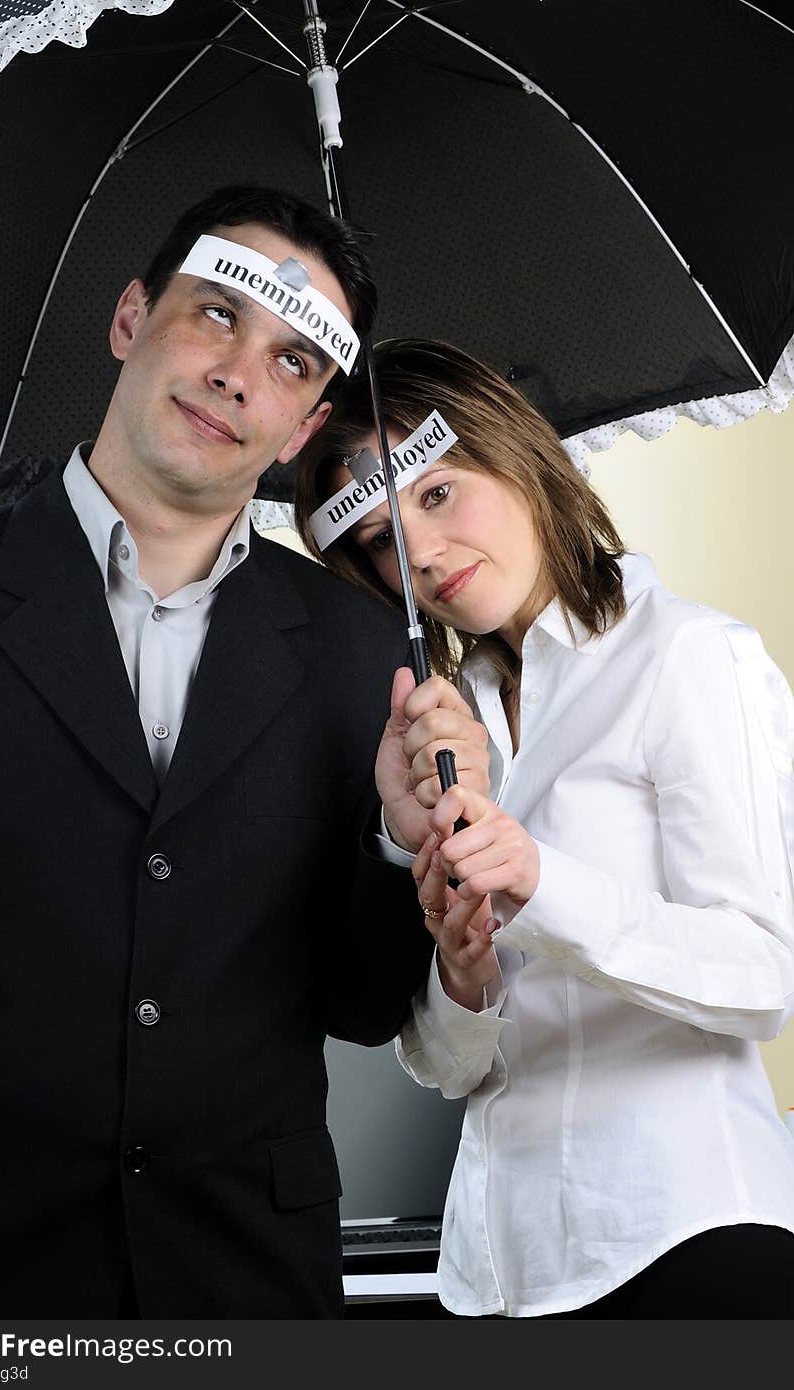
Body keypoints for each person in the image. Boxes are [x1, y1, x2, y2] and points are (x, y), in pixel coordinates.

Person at [0, 192, 485, 1319]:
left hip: (245, 1279)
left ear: (309, 424)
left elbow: (365, 1006)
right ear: (130, 318)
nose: (238, 374)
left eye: (291, 360)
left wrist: (398, 843)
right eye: (215, 314)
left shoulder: (364, 652)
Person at [295, 337, 794, 1318]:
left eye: (438, 493)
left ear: (514, 451)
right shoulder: (452, 731)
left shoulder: (688, 658)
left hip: (681, 1246)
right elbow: (451, 1071)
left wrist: (541, 879)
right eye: (382, 538)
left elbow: (760, 975)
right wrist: (462, 978)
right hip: (494, 1272)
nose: (422, 554)